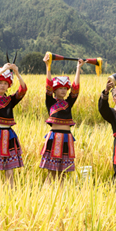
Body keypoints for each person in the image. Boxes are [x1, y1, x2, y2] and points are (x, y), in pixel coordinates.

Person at [39, 53, 84, 182]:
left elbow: (75, 90)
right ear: (55, 90)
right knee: (52, 170)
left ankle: (62, 196)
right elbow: (48, 85)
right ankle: (47, 194)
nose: (63, 91)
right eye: (60, 88)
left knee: (63, 171)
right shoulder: (50, 102)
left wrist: (78, 68)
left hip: (66, 137)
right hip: (54, 136)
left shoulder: (68, 102)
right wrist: (48, 67)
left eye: (65, 88)